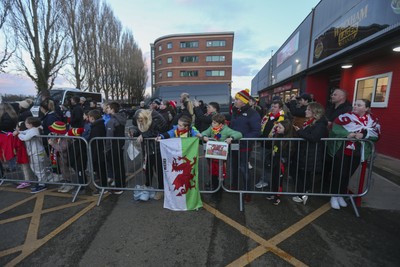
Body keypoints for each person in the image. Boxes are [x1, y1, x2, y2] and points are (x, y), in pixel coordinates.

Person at [328, 99, 380, 210]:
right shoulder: (345, 117)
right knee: (339, 173)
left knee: (348, 175)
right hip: (342, 150)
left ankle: (340, 195)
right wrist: (347, 133)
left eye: (359, 105)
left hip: (358, 152)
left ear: (366, 108)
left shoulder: (373, 120)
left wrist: (364, 135)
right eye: (355, 104)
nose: (355, 106)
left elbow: (376, 134)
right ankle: (333, 196)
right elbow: (335, 127)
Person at [292, 102, 328, 205]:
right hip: (306, 153)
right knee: (302, 175)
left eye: (308, 110)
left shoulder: (320, 124)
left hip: (310, 154)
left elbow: (314, 137)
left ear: (315, 112)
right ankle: (303, 194)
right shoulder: (311, 122)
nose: (305, 111)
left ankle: (302, 195)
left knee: (303, 175)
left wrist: (300, 131)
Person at [229, 89, 261, 202]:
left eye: (237, 99)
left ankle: (248, 191)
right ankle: (234, 185)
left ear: (243, 101)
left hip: (244, 146)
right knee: (233, 166)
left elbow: (256, 131)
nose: (235, 101)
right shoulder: (235, 111)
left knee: (244, 168)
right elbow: (232, 126)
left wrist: (242, 138)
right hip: (233, 145)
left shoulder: (253, 113)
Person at [132, 108, 168, 199]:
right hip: (147, 149)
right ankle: (147, 185)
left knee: (159, 170)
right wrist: (134, 133)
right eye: (138, 120)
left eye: (141, 119)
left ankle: (161, 190)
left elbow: (154, 132)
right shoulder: (141, 121)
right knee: (147, 169)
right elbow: (140, 131)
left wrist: (142, 135)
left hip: (157, 149)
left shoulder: (154, 119)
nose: (139, 121)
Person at [200, 113, 242, 191]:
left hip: (221, 155)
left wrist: (231, 138)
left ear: (221, 124)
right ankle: (214, 186)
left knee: (221, 172)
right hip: (212, 154)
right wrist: (204, 136)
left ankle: (220, 188)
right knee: (212, 171)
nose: (212, 124)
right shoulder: (211, 128)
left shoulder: (226, 129)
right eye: (212, 122)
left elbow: (239, 134)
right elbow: (204, 132)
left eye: (214, 123)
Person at [255, 100, 287, 189]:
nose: (272, 108)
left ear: (280, 108)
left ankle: (267, 181)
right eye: (272, 106)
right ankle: (266, 180)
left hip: (274, 146)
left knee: (270, 165)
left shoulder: (283, 118)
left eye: (275, 107)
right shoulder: (267, 116)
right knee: (264, 163)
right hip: (264, 144)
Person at [14, 117, 48, 193]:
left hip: (37, 153)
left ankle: (43, 184)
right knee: (35, 168)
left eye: (26, 123)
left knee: (39, 169)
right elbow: (25, 132)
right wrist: (19, 132)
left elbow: (25, 138)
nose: (25, 124)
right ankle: (41, 182)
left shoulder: (34, 131)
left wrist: (18, 134)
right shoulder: (32, 129)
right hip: (34, 153)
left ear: (31, 124)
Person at [265, 119, 293, 205]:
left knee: (279, 179)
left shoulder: (288, 140)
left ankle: (277, 196)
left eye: (280, 127)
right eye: (278, 127)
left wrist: (279, 157)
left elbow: (288, 152)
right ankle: (273, 193)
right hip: (275, 160)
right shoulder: (277, 136)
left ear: (286, 129)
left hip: (281, 162)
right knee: (273, 177)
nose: (278, 129)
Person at [105, 102, 127, 194]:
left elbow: (109, 137)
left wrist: (107, 148)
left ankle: (119, 187)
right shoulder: (121, 118)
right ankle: (122, 184)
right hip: (120, 144)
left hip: (114, 146)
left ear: (113, 109)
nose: (107, 109)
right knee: (120, 165)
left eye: (109, 108)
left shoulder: (112, 121)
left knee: (116, 166)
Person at [48, 121, 74, 193]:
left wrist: (52, 144)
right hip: (60, 157)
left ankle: (70, 184)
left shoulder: (65, 138)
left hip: (65, 157)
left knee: (66, 171)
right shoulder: (58, 136)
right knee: (63, 170)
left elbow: (62, 148)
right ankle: (66, 182)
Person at [87, 109, 107, 195]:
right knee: (100, 171)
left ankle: (103, 188)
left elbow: (95, 143)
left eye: (89, 117)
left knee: (101, 171)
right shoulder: (98, 125)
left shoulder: (96, 128)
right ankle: (103, 187)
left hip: (98, 153)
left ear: (92, 117)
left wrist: (94, 156)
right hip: (99, 152)